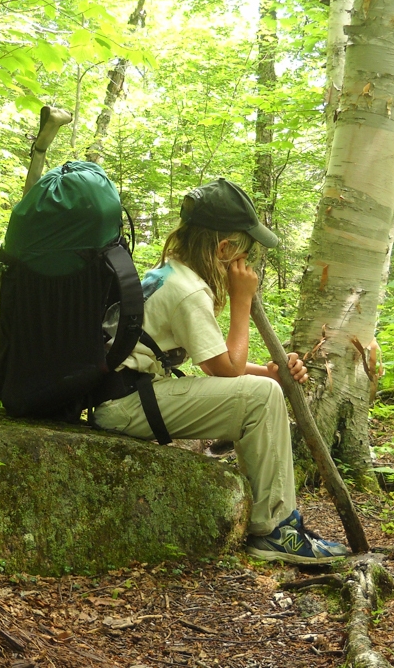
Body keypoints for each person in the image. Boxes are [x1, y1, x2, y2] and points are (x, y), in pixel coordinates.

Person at [94, 178, 348, 564]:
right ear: (223, 249)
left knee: (264, 392)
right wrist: (242, 300)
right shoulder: (189, 290)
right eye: (244, 255)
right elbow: (226, 371)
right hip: (127, 404)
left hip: (124, 396)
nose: (246, 266)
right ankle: (277, 530)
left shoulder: (170, 274)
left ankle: (278, 524)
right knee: (261, 398)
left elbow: (214, 362)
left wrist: (269, 372)